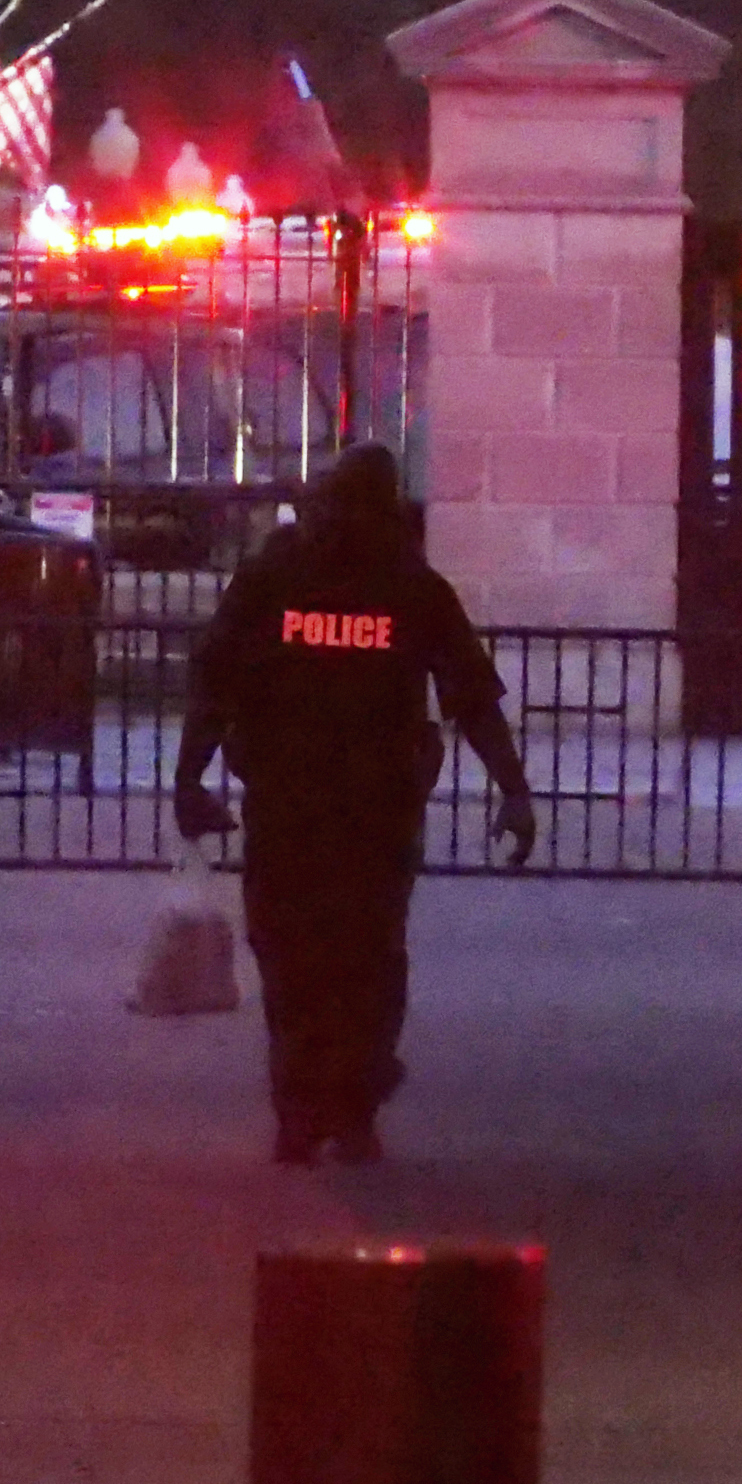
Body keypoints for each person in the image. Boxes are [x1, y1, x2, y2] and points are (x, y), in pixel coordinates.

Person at [173, 443, 536, 1164]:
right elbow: (472, 698)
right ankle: (350, 1103)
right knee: (366, 959)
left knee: (290, 955)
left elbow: (214, 681)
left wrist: (190, 779)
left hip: (289, 802)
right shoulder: (408, 585)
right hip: (374, 809)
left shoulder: (274, 575)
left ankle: (303, 1107)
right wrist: (513, 791)